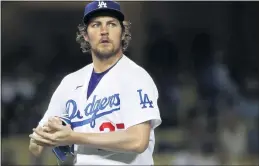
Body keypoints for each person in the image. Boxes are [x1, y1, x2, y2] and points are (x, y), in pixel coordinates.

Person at [29, 0, 162, 165]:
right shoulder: (70, 83)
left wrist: (73, 137)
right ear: (85, 35)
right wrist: (46, 136)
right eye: (96, 25)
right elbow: (35, 146)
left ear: (122, 33)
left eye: (112, 24)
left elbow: (138, 140)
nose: (104, 31)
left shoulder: (136, 77)